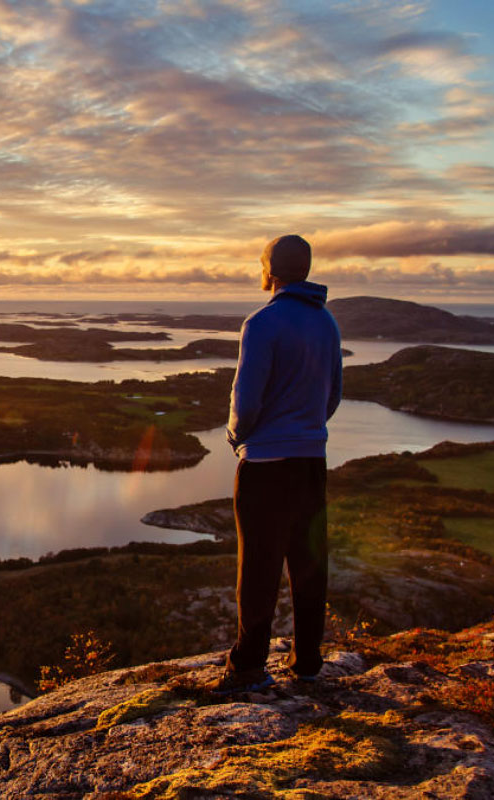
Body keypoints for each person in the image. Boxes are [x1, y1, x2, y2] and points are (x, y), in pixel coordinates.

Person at [210, 233, 342, 694]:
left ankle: (248, 667)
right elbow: (333, 396)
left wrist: (236, 437)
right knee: (308, 561)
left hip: (265, 464)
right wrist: (306, 429)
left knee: (259, 567)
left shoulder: (262, 323)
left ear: (271, 271)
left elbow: (245, 402)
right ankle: (307, 662)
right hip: (311, 459)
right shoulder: (327, 323)